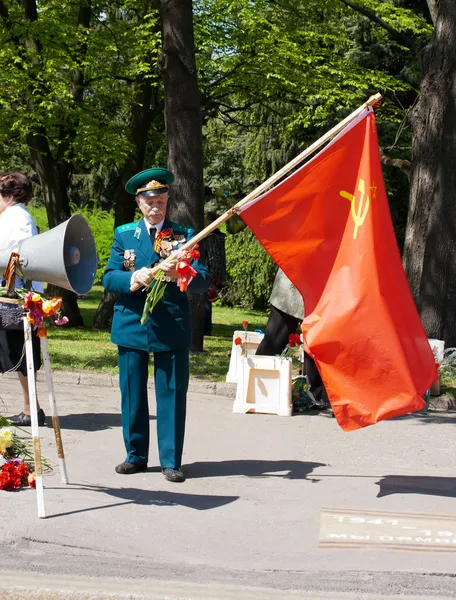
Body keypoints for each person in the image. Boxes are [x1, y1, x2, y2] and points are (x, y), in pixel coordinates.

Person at [103, 168, 210, 482]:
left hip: (170, 324)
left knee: (172, 393)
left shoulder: (184, 235)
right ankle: (135, 455)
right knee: (132, 393)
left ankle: (170, 460)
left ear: (167, 201)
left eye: (161, 200)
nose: (155, 207)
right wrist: (134, 277)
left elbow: (203, 280)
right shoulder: (125, 234)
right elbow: (109, 277)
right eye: (149, 201)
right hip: (132, 322)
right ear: (139, 203)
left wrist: (182, 274)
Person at [0, 172, 46, 427]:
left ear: (7, 195)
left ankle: (31, 409)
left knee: (23, 353)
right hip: (17, 296)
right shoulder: (16, 216)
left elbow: (13, 258)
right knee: (21, 353)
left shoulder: (15, 218)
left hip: (15, 297)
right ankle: (32, 407)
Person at [256, 267, 330, 410]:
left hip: (319, 286)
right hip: (291, 285)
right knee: (275, 338)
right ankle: (257, 387)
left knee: (315, 342)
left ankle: (314, 395)